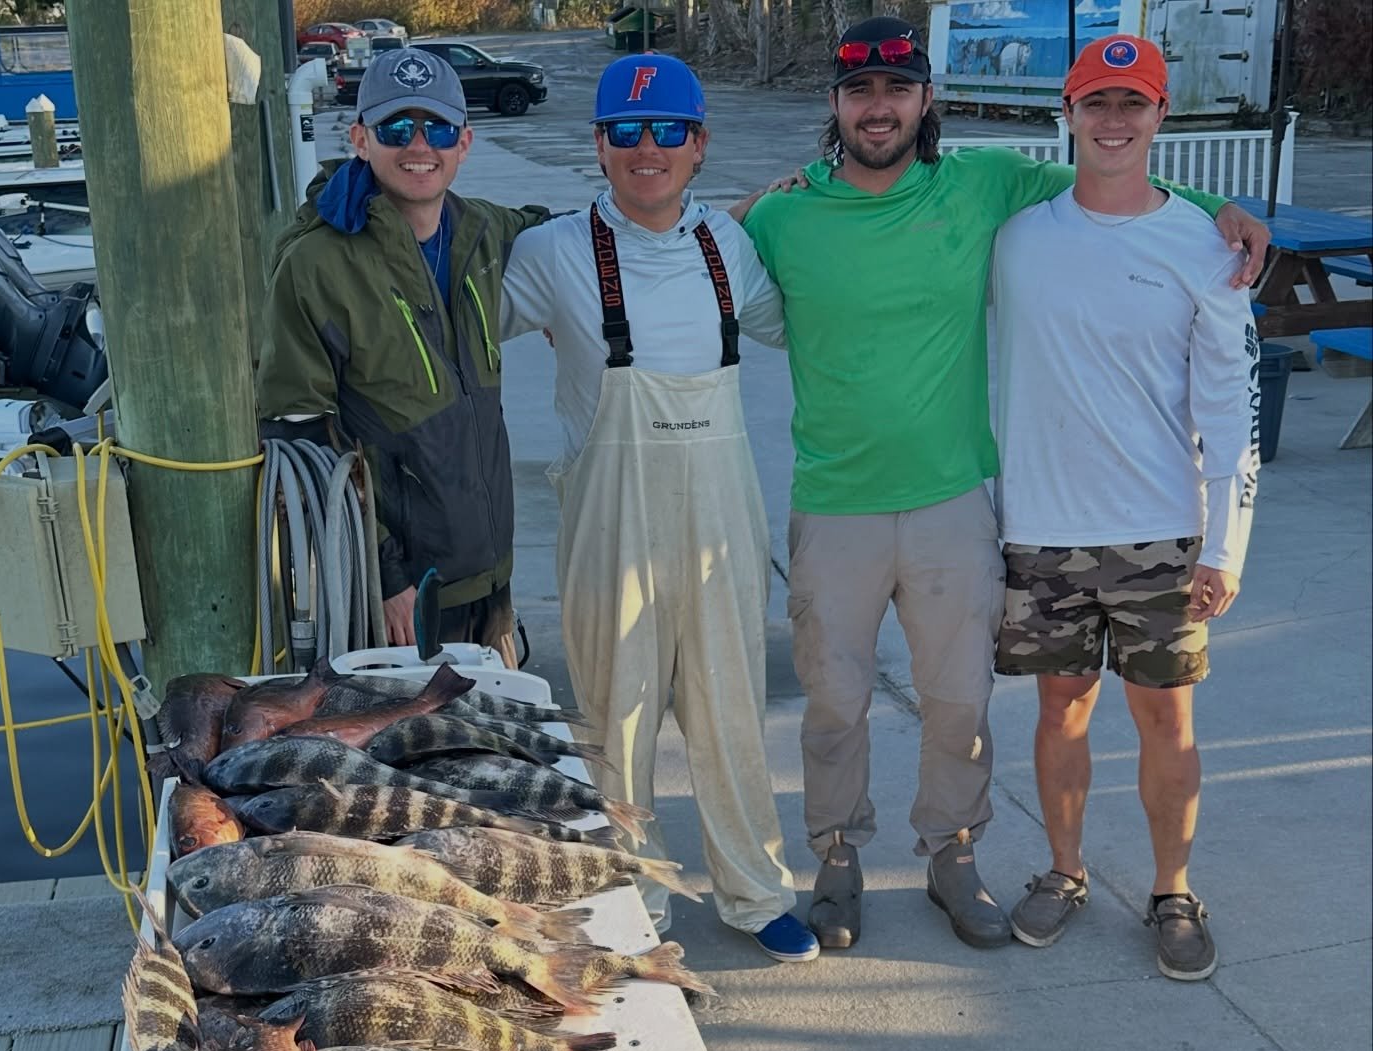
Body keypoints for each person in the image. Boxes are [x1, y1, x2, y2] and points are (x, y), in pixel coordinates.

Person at [739, 18, 1268, 952]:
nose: (878, 107)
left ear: (924, 100)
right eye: (860, 91)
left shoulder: (984, 188)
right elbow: (710, 256)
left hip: (955, 501)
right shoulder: (783, 218)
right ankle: (835, 863)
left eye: (897, 89)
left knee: (958, 706)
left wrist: (1222, 206)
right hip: (833, 504)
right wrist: (745, 200)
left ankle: (953, 857)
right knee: (833, 703)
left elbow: (1112, 177)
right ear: (835, 103)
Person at [499, 53, 817, 962]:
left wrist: (812, 212)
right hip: (610, 526)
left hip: (722, 520)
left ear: (700, 143)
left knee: (730, 712)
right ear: (598, 146)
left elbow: (816, 316)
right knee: (614, 721)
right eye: (626, 133)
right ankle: (635, 900)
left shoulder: (734, 244)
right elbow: (448, 320)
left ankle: (756, 894)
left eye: (668, 130)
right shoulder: (549, 252)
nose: (649, 150)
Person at [993, 36, 1258, 982]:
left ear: (1160, 115)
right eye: (1096, 102)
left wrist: (1224, 545)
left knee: (1166, 724)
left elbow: (1232, 410)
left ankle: (1172, 891)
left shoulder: (1206, 245)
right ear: (1066, 114)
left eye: (1132, 103)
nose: (1114, 120)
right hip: (1040, 530)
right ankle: (1064, 873)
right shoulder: (1016, 235)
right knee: (1060, 710)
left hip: (1161, 534)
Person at [256, 47, 547, 662]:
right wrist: (385, 577)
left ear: (464, 142)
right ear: (361, 139)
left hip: (489, 577)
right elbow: (299, 432)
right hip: (401, 598)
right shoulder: (315, 264)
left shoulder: (483, 231)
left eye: (438, 127)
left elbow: (573, 236)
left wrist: (739, 215)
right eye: (396, 128)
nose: (420, 145)